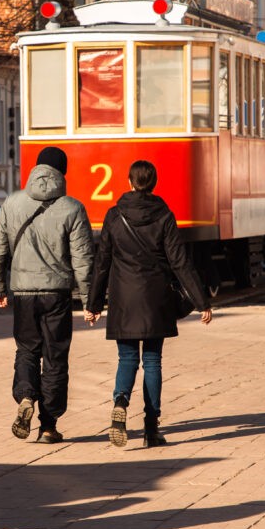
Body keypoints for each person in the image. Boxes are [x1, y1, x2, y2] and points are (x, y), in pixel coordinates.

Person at [85, 160, 212, 448]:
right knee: (153, 361)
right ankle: (151, 428)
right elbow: (180, 262)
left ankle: (120, 400)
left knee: (127, 358)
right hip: (156, 298)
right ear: (153, 183)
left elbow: (101, 264)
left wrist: (93, 304)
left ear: (129, 182)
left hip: (124, 300)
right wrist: (202, 301)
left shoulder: (114, 215)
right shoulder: (164, 215)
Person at [0, 146, 95, 444]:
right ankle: (48, 425)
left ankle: (25, 397)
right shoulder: (73, 208)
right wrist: (89, 300)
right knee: (55, 357)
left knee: (26, 350)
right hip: (57, 294)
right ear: (63, 172)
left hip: (22, 293)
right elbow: (83, 259)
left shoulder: (11, 203)